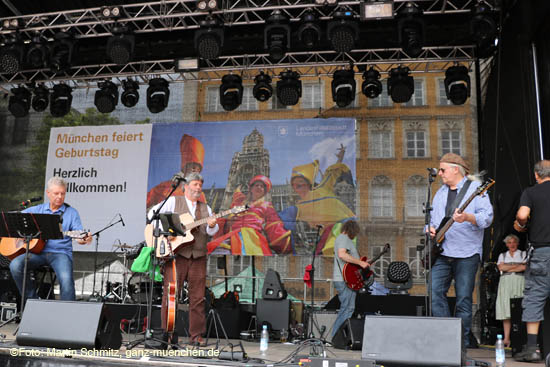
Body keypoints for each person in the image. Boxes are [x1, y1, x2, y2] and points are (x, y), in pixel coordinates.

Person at [428, 153, 493, 348]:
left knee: (464, 299)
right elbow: (432, 221)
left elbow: (487, 218)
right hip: (442, 252)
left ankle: (460, 345)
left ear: (455, 169)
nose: (439, 174)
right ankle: (447, 338)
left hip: (467, 254)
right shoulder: (439, 193)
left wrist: (467, 217)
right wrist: (429, 229)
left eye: (442, 170)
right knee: (434, 293)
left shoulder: (476, 190)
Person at [147, 172, 218, 347]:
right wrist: (168, 233)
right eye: (195, 184)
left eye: (200, 185)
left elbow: (210, 232)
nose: (198, 188)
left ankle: (196, 337)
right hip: (176, 255)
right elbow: (151, 215)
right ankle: (168, 335)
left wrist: (212, 225)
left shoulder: (206, 209)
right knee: (171, 296)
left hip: (198, 256)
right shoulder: (172, 201)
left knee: (198, 298)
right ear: (185, 186)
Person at [9, 177, 92, 301]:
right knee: (15, 265)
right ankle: (32, 301)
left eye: (62, 193)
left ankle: (67, 312)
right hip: (37, 253)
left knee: (66, 280)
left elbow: (80, 237)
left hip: (60, 253)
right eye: (56, 193)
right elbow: (15, 221)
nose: (59, 196)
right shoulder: (37, 210)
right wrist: (22, 236)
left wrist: (84, 239)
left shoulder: (72, 213)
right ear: (48, 193)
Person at [280, 148, 356, 256]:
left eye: (300, 184)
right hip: (331, 232)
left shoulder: (323, 188)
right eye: (295, 186)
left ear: (308, 183)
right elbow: (282, 218)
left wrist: (340, 158)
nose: (297, 188)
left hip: (346, 224)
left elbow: (332, 173)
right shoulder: (299, 207)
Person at [513, 159, 550, 362]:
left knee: (535, 297)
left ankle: (532, 349)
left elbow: (522, 214)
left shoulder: (531, 192)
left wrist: (520, 224)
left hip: (543, 253)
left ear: (537, 175)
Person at [208, 175, 292, 255]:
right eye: (256, 185)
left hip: (252, 239)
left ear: (265, 192)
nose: (259, 187)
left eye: (262, 186)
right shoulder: (240, 204)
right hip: (231, 237)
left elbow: (274, 225)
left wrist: (285, 243)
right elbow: (228, 222)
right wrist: (215, 222)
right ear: (251, 188)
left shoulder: (266, 206)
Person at [331, 220, 369, 339]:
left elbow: (351, 263)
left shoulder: (345, 240)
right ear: (352, 229)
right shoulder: (343, 238)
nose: (355, 235)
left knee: (349, 308)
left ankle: (338, 337)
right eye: (355, 232)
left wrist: (361, 263)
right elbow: (342, 255)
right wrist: (360, 263)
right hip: (344, 280)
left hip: (347, 279)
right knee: (347, 308)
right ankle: (335, 337)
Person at [147, 134, 206, 208]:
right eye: (193, 168)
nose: (195, 172)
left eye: (198, 170)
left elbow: (205, 215)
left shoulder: (200, 195)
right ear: (184, 168)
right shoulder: (163, 187)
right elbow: (142, 203)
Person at [495, 234, 526, 347]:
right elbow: (500, 268)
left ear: (517, 243)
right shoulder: (502, 255)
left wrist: (508, 266)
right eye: (509, 242)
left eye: (514, 242)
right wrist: (517, 265)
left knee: (519, 309)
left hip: (519, 282)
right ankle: (507, 339)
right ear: (506, 244)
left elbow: (524, 267)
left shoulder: (523, 254)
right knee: (505, 310)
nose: (512, 244)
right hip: (506, 283)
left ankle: (520, 339)